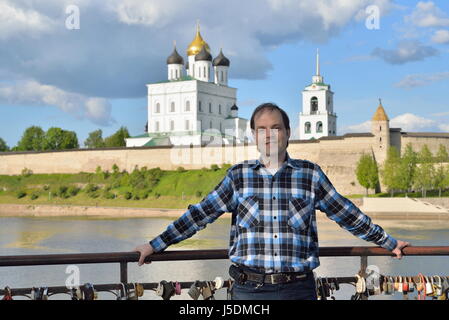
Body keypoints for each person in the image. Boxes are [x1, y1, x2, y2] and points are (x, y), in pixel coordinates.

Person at [134, 102, 410, 300]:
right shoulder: (238, 177)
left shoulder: (309, 175)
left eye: (276, 128)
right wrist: (155, 244)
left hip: (298, 289)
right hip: (248, 290)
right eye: (262, 129)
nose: (269, 134)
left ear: (288, 133)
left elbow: (347, 214)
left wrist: (388, 242)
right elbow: (198, 216)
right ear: (254, 135)